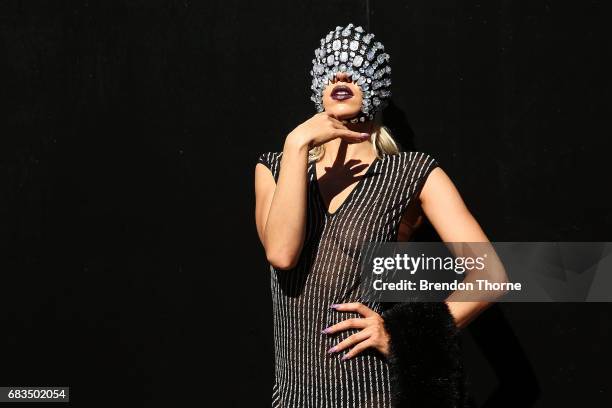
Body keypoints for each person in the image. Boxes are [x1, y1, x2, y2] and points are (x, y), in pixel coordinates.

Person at [254, 23, 492, 408]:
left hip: (372, 394)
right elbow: (282, 254)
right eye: (331, 64)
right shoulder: (276, 168)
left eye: (356, 63)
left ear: (377, 83)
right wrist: (297, 143)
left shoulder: (411, 172)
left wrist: (401, 336)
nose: (342, 73)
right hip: (295, 397)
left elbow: (491, 274)